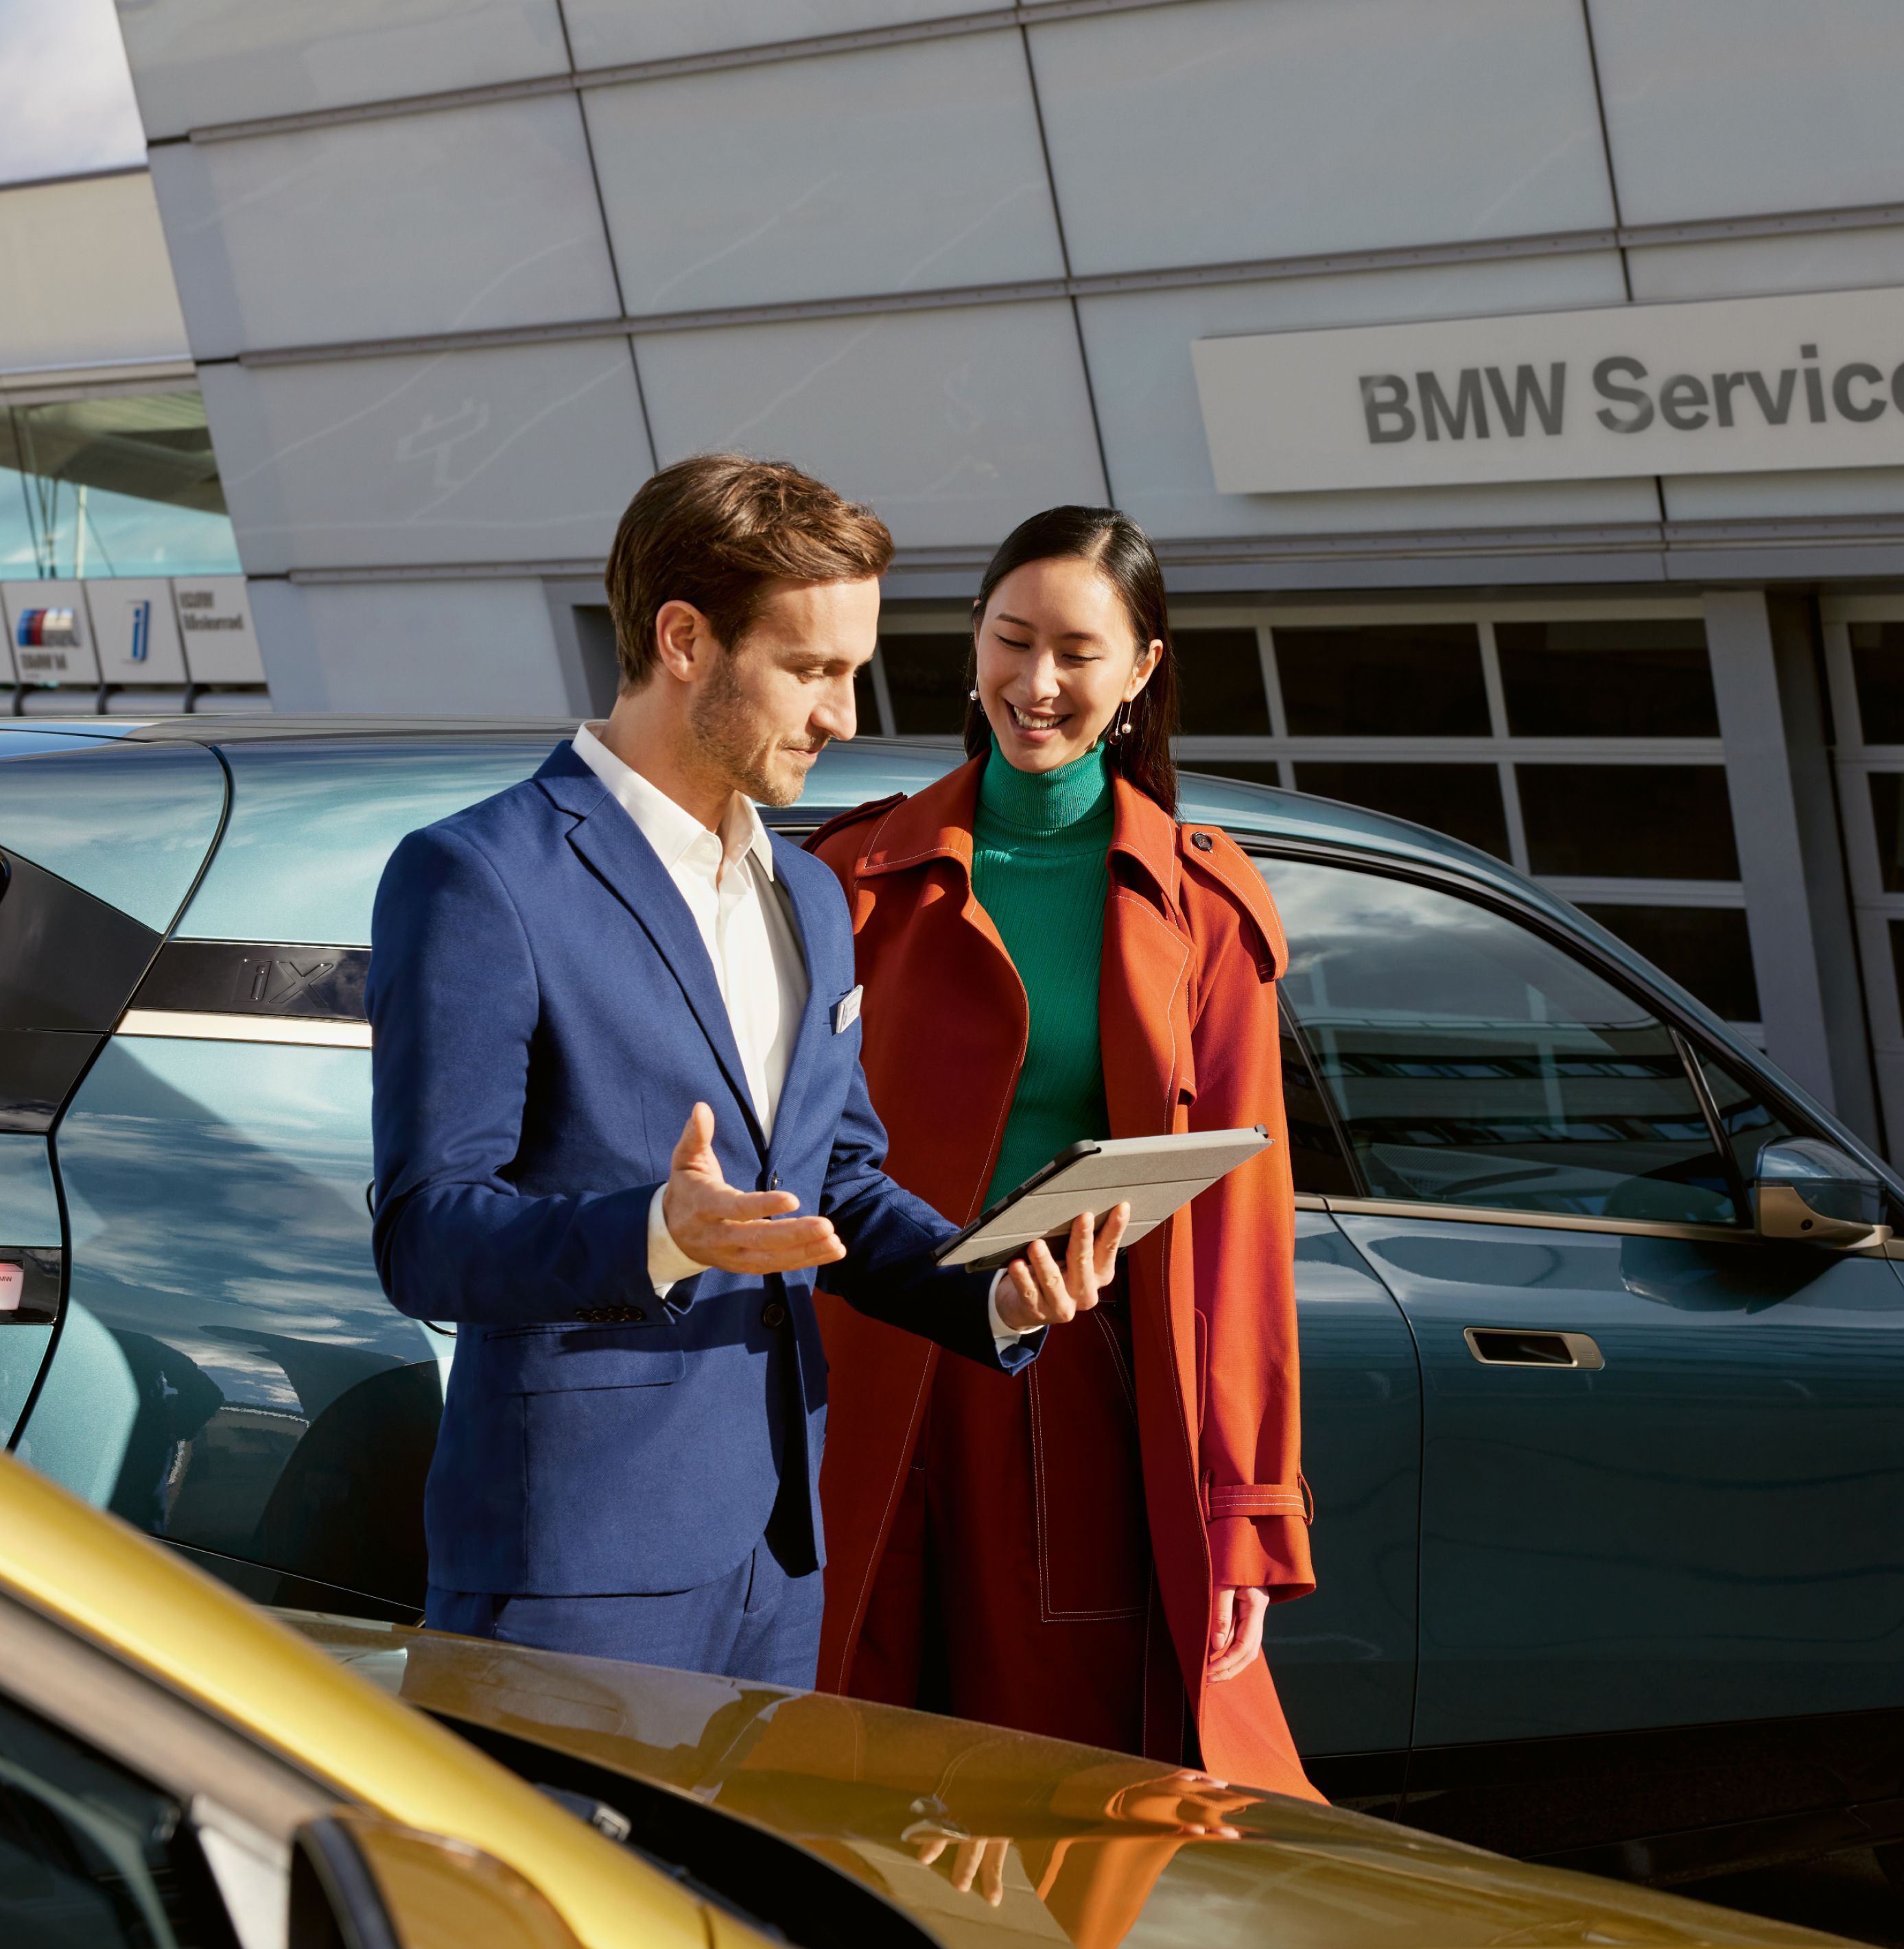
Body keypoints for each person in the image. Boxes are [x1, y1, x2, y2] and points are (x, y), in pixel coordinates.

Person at [366, 456, 1123, 1687]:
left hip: (781, 1551)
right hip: (575, 1562)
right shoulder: (479, 878)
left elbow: (839, 1184)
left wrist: (992, 1287)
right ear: (683, 640)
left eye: (854, 673)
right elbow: (425, 1236)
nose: (843, 716)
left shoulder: (813, 895)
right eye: (812, 671)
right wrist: (658, 1234)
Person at [808, 505, 1317, 1797]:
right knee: (832, 1786)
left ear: (1142, 669)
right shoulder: (846, 876)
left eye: (1077, 653)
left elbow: (1244, 1228)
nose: (1035, 685)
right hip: (851, 1378)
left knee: (1064, 1806)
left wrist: (1249, 1515)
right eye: (1009, 641)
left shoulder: (1202, 903)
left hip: (1076, 1395)